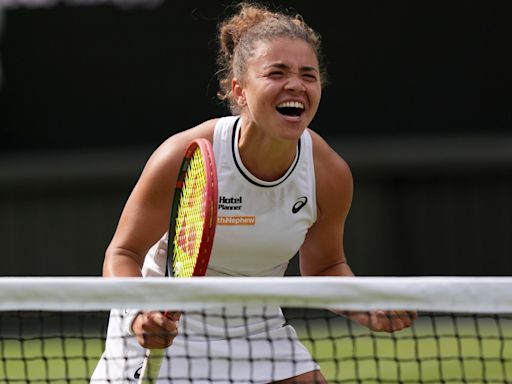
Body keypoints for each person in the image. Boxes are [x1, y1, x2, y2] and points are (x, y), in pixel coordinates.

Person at [91, 2, 416, 383]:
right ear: (239, 91)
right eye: (276, 73)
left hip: (255, 326)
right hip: (166, 326)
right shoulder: (187, 153)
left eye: (307, 75)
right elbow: (123, 252)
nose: (295, 84)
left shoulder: (328, 174)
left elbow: (325, 267)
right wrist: (139, 317)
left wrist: (366, 308)